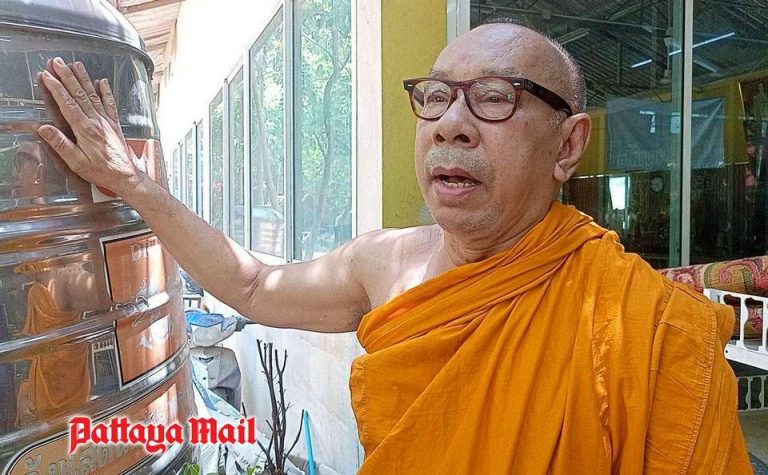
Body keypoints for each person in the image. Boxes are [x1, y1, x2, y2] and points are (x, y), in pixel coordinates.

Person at [34, 22, 750, 474]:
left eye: (494, 97)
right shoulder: (385, 262)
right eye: (435, 96)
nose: (451, 124)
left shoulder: (648, 329)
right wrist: (133, 183)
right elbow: (249, 286)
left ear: (568, 145)